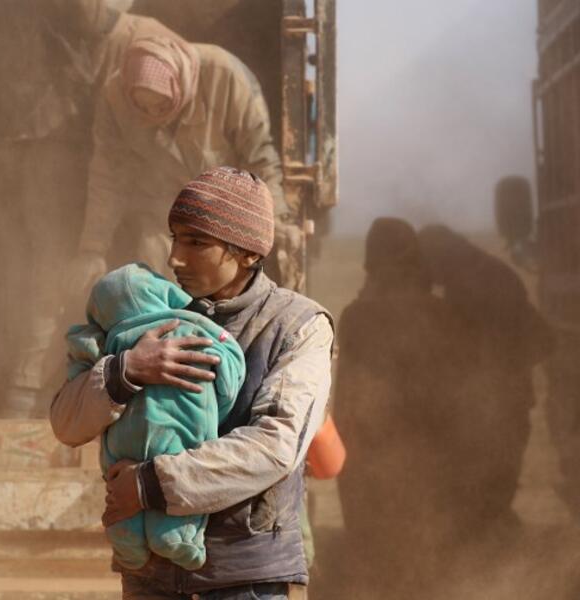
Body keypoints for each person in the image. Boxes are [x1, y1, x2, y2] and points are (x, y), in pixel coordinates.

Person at [52, 166, 333, 599]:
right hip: (152, 579)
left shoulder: (298, 326)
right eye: (175, 238)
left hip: (247, 582)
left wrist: (149, 485)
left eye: (197, 242)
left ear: (249, 253)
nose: (175, 258)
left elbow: (276, 445)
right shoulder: (141, 317)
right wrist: (124, 371)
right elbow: (66, 424)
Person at [0, 0, 179, 416]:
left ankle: (15, 382)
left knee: (15, 267)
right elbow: (95, 18)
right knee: (51, 265)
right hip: (46, 126)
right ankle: (31, 387)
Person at [73, 35, 291, 289]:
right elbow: (107, 175)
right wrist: (92, 249)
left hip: (228, 210)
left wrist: (277, 221)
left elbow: (260, 157)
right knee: (159, 288)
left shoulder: (226, 77)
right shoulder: (114, 98)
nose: (155, 117)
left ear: (179, 87)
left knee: (233, 291)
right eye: (144, 109)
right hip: (163, 214)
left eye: (163, 106)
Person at [67, 262, 245, 571]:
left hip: (123, 456)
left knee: (121, 502)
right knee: (178, 507)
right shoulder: (194, 327)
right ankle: (180, 540)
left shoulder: (105, 343)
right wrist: (220, 410)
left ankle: (128, 550)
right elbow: (229, 373)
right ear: (168, 296)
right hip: (179, 443)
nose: (178, 259)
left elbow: (76, 382)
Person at [334, 218, 470, 596]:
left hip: (371, 461)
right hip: (433, 460)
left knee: (375, 562)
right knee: (427, 562)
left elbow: (346, 400)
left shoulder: (358, 317)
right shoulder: (443, 314)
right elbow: (461, 397)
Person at [418, 225, 554, 531]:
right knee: (493, 495)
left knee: (481, 499)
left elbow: (463, 355)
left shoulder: (465, 287)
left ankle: (490, 560)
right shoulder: (494, 273)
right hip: (510, 403)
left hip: (489, 410)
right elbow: (544, 339)